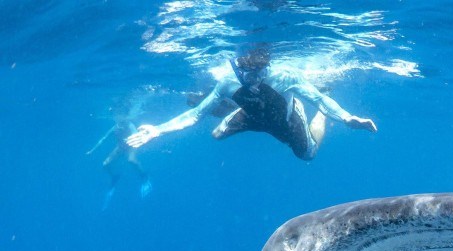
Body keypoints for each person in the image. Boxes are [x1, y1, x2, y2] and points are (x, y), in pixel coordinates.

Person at [126, 47, 376, 160]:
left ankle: (313, 115)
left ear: (269, 67)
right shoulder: (226, 83)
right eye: (248, 76)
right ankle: (236, 112)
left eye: (261, 74)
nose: (255, 81)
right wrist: (158, 129)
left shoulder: (286, 76)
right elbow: (195, 115)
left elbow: (320, 98)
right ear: (238, 70)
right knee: (215, 135)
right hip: (252, 117)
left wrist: (346, 118)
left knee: (307, 155)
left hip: (284, 121)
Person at [87, 114, 153, 210]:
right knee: (105, 164)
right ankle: (114, 177)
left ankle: (144, 177)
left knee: (131, 160)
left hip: (132, 145)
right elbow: (103, 139)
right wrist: (92, 150)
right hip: (121, 147)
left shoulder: (130, 125)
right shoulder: (115, 127)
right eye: (117, 118)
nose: (119, 120)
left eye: (122, 118)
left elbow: (137, 136)